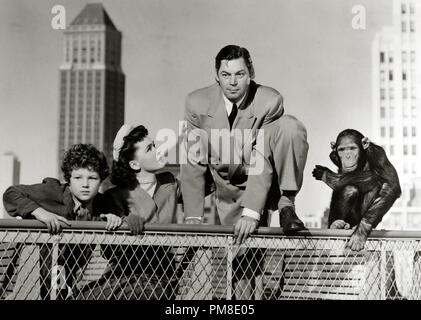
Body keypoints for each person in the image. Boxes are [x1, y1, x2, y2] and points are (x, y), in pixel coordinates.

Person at [181, 45, 309, 299]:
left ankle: (286, 203)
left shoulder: (269, 101)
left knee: (290, 127)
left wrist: (252, 211)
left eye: (239, 74)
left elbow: (262, 159)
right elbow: (193, 160)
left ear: (251, 72)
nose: (232, 82)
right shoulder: (196, 103)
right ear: (216, 75)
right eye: (226, 75)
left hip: (262, 177)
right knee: (239, 264)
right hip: (226, 185)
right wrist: (193, 216)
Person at [2, 143, 119, 299]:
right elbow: (11, 193)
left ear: (101, 180)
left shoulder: (103, 203)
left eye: (92, 178)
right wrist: (40, 213)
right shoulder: (53, 191)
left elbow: (116, 239)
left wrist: (115, 220)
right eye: (78, 177)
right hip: (31, 273)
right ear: (69, 179)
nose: (85, 184)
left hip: (67, 276)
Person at [81, 124, 181, 300]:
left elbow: (203, 185)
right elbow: (107, 251)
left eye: (154, 145)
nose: (158, 151)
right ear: (134, 164)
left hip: (160, 275)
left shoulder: (170, 184)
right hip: (122, 275)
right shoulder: (114, 196)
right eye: (150, 149)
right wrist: (123, 222)